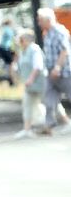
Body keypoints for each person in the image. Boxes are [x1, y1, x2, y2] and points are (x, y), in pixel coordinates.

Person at [37, 8, 71, 136]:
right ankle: (49, 125)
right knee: (49, 97)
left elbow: (64, 51)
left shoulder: (59, 31)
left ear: (48, 20)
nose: (38, 23)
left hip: (64, 72)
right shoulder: (47, 33)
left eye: (40, 20)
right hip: (51, 73)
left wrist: (57, 67)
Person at [15, 29, 46, 137]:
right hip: (30, 85)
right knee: (27, 104)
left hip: (40, 83)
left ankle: (65, 122)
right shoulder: (23, 51)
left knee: (49, 104)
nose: (19, 42)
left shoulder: (34, 49)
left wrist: (30, 79)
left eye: (21, 40)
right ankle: (27, 130)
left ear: (26, 40)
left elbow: (38, 66)